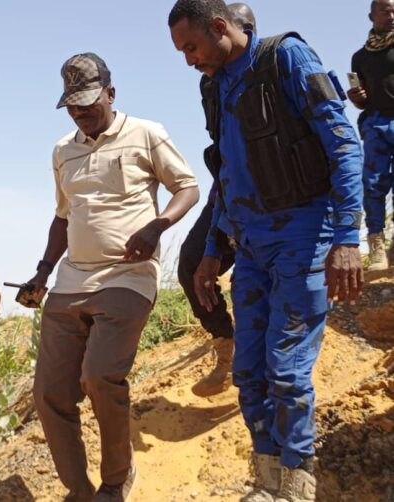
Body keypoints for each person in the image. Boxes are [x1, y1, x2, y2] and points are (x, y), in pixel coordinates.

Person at [169, 1, 364, 500]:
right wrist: (212, 248)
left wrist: (347, 237)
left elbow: (344, 144)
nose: (189, 59)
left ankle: (297, 483)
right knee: (249, 371)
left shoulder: (286, 58)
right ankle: (268, 480)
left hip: (303, 235)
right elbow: (226, 174)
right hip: (250, 246)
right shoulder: (214, 87)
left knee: (287, 368)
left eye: (191, 46)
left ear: (219, 27)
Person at [22, 53, 198, 501]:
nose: (80, 112)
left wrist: (157, 227)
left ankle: (117, 479)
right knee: (49, 394)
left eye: (88, 103)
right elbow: (63, 217)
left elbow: (188, 187)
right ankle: (80, 490)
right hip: (71, 280)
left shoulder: (146, 134)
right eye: (72, 105)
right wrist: (42, 273)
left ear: (111, 94)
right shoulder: (62, 151)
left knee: (100, 376)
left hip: (128, 276)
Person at [178, 1, 257, 398]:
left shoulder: (271, 68)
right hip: (226, 190)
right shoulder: (209, 84)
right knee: (192, 263)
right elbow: (221, 147)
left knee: (254, 286)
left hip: (276, 198)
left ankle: (263, 376)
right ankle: (226, 350)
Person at [348, 0, 394, 271]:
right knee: (373, 184)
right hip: (375, 123)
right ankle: (377, 245)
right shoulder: (360, 57)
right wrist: (357, 97)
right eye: (386, 10)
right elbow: (361, 99)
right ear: (371, 16)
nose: (392, 15)